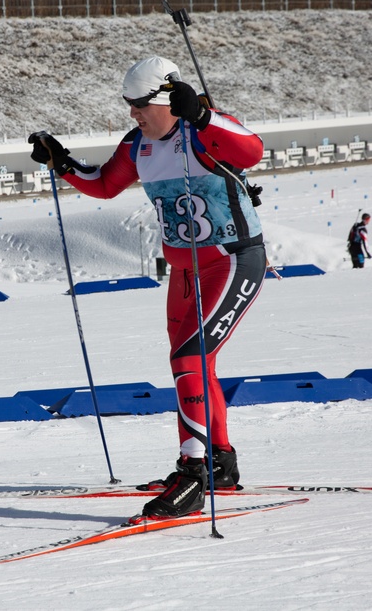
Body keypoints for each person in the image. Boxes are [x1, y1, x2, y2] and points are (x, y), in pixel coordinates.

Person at [29, 56, 267, 518]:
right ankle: (218, 463)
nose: (133, 114)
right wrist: (62, 162)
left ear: (167, 100)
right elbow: (103, 185)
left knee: (189, 359)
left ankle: (193, 476)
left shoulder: (204, 131)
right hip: (183, 270)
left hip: (231, 260)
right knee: (193, 366)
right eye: (128, 105)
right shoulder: (139, 144)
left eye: (140, 104)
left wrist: (201, 115)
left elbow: (251, 151)